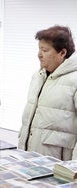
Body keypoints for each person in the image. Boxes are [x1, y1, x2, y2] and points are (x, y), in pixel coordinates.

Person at [18, 25, 77, 160]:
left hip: (58, 163)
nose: (39, 54)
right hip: (30, 158)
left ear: (62, 53)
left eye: (45, 50)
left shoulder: (74, 80)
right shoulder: (38, 75)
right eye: (39, 49)